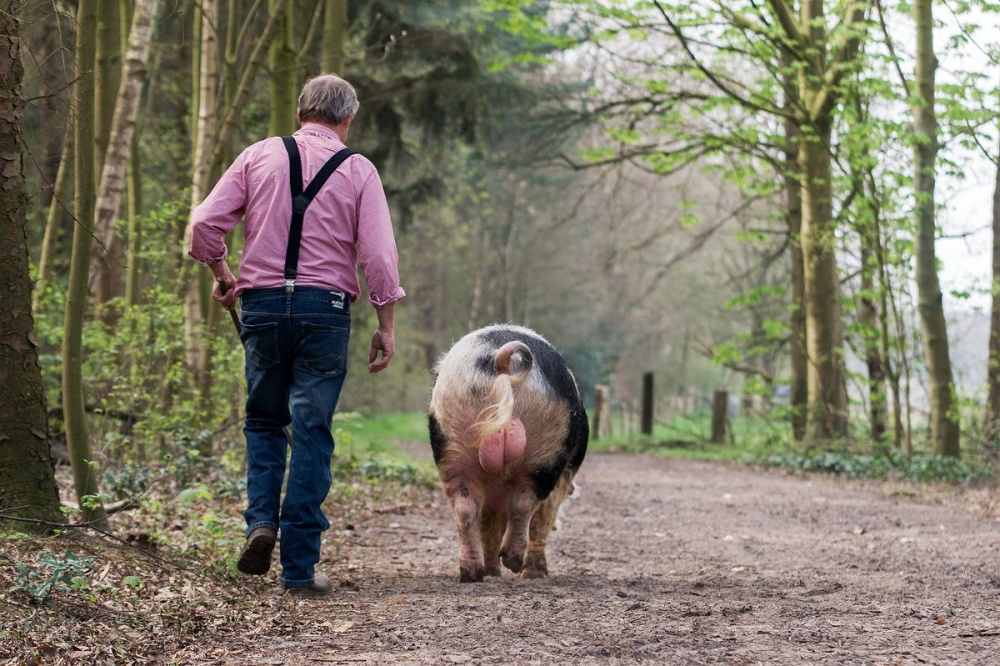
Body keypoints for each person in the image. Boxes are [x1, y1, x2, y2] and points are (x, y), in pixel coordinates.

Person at [188, 74, 405, 597]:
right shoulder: (358, 169)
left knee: (264, 422)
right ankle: (300, 570)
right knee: (311, 431)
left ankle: (261, 523)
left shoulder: (257, 155)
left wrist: (223, 275)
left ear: (300, 112)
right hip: (324, 311)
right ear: (348, 119)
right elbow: (377, 256)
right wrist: (385, 324)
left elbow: (203, 224)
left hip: (261, 304)